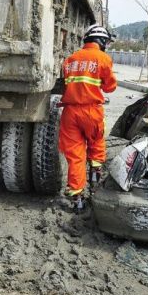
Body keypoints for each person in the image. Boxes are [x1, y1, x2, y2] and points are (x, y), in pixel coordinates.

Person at [59, 24, 118, 198]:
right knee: (96, 144)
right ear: (101, 41)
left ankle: (76, 195)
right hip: (91, 111)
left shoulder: (70, 59)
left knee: (75, 154)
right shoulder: (103, 58)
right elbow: (110, 87)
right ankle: (94, 177)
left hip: (69, 113)